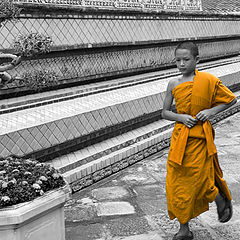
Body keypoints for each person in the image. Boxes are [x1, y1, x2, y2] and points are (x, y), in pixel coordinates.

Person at [161, 41, 237, 240]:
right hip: (180, 138)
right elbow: (165, 112)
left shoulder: (208, 80)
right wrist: (181, 117)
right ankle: (184, 229)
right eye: (178, 60)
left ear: (197, 60)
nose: (181, 64)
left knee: (199, 177)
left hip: (200, 137)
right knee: (177, 183)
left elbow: (231, 99)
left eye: (186, 60)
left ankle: (218, 197)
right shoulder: (173, 83)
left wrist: (210, 111)